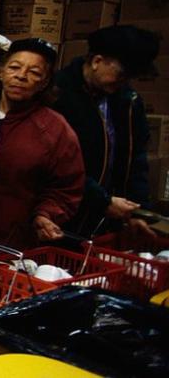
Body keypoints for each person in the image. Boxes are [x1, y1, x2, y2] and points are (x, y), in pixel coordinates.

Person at [53, 25, 160, 238]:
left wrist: (138, 211)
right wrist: (100, 200)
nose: (125, 82)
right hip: (62, 216)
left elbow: (136, 159)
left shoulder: (128, 101)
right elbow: (54, 165)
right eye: (121, 75)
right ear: (97, 62)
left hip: (106, 220)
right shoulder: (57, 95)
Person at [0, 38, 84, 252]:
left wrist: (46, 214)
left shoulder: (54, 129)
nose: (21, 76)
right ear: (1, 71)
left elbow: (66, 187)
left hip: (11, 242)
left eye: (34, 72)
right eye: (14, 67)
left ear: (44, 82)